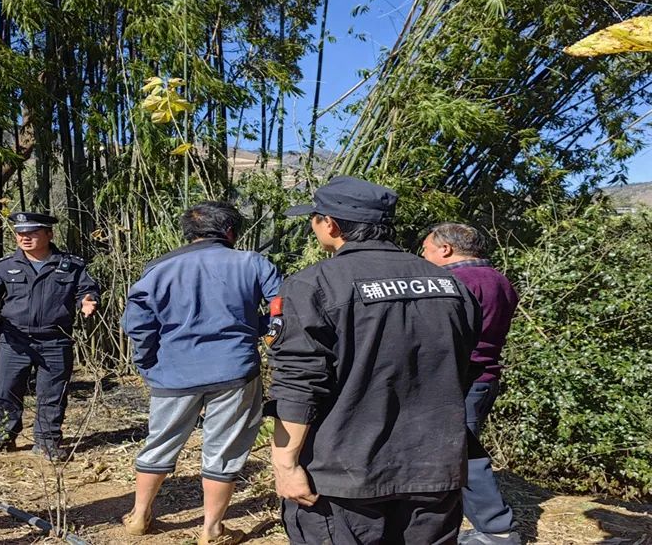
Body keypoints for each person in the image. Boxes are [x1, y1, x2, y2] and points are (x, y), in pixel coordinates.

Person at [267, 176, 482, 545]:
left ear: (331, 224)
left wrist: (284, 464)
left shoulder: (314, 285)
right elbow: (462, 366)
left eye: (314, 218)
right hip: (435, 468)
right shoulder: (452, 285)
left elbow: (299, 384)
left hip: (344, 477)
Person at [121, 201, 282, 545]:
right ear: (230, 232)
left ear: (189, 233)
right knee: (223, 449)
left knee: (160, 442)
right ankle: (211, 531)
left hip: (173, 373)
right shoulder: (252, 262)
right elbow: (280, 307)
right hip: (234, 371)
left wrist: (147, 363)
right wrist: (265, 332)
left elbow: (136, 323)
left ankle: (138, 516)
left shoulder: (159, 268)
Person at [0, 212, 99, 460]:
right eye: (20, 234)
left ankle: (47, 441)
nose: (25, 238)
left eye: (32, 233)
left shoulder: (71, 265)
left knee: (52, 393)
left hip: (55, 339)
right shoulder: (6, 266)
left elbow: (87, 289)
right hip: (14, 340)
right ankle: (4, 436)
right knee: (7, 390)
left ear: (49, 234)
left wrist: (88, 301)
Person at [422, 223, 520, 545]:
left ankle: (497, 530)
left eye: (426, 250)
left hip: (461, 378)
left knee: (463, 454)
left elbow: (442, 338)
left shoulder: (455, 282)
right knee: (460, 449)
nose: (423, 257)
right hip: (485, 377)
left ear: (446, 250)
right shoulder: (498, 280)